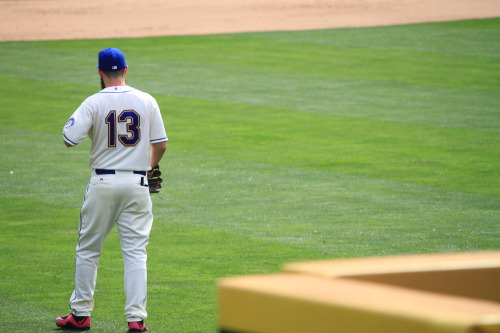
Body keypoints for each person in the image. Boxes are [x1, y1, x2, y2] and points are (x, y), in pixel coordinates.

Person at [56, 47, 168, 332]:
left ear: (99, 72)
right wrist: (148, 167)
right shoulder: (147, 99)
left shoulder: (93, 102)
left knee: (89, 249)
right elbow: (161, 144)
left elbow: (69, 139)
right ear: (126, 70)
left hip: (103, 184)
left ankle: (80, 314)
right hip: (137, 184)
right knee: (135, 253)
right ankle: (136, 320)